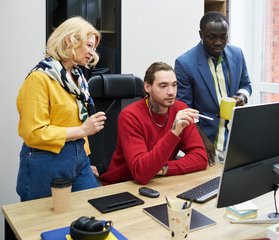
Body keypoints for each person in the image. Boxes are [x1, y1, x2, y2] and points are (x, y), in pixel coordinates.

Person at [16, 16, 106, 201]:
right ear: (69, 41)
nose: (92, 52)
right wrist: (82, 130)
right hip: (44, 162)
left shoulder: (77, 79)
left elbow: (77, 119)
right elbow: (33, 132)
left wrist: (83, 160)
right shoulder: (39, 79)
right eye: (89, 45)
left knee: (91, 212)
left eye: (94, 47)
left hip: (78, 158)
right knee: (45, 224)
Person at [100, 62, 208, 185]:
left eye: (174, 85)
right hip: (123, 185)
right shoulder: (130, 116)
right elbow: (141, 173)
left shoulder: (180, 109)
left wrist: (163, 169)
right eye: (163, 86)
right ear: (147, 87)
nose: (171, 92)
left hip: (158, 181)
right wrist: (174, 133)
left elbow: (200, 158)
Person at [175, 11, 252, 166]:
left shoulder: (237, 54)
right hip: (207, 141)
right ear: (201, 35)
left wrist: (241, 97)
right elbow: (185, 108)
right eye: (212, 37)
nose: (218, 42)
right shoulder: (185, 63)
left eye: (223, 36)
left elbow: (246, 84)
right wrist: (201, 140)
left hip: (236, 138)